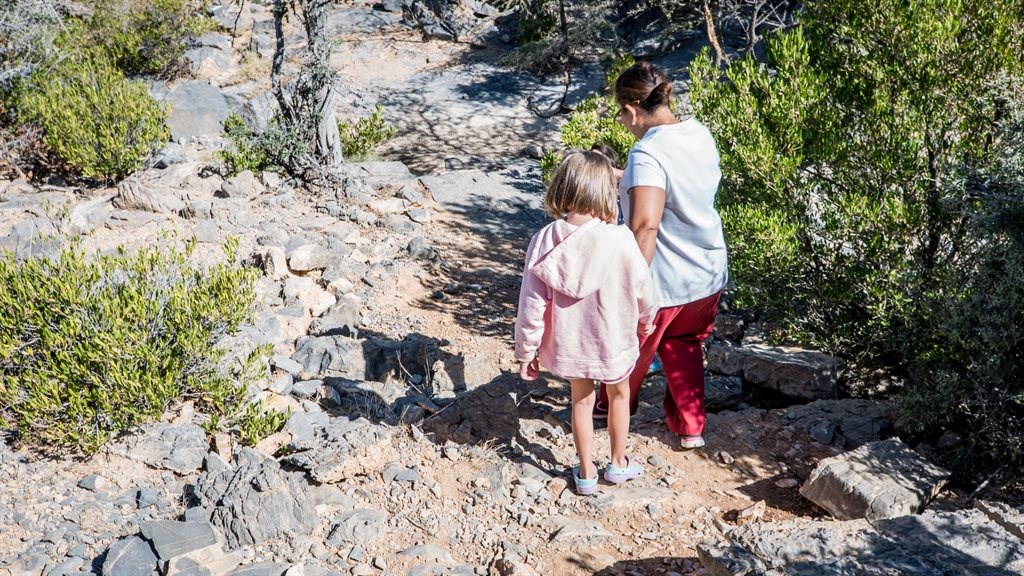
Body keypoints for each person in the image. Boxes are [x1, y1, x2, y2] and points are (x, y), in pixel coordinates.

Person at [596, 61, 729, 450]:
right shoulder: (699, 133)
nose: (623, 123)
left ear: (631, 110)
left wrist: (628, 284)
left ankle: (610, 407)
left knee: (634, 346)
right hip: (707, 270)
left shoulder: (647, 153)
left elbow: (645, 226)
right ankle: (690, 428)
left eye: (621, 115)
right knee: (684, 343)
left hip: (665, 277)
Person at [515, 150, 657, 495]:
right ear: (606, 192)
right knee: (619, 394)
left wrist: (527, 349)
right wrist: (646, 321)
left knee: (581, 399)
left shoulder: (546, 239)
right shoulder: (620, 238)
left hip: (572, 341)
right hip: (613, 338)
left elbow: (531, 302)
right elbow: (643, 288)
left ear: (563, 186)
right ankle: (618, 462)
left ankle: (586, 470)